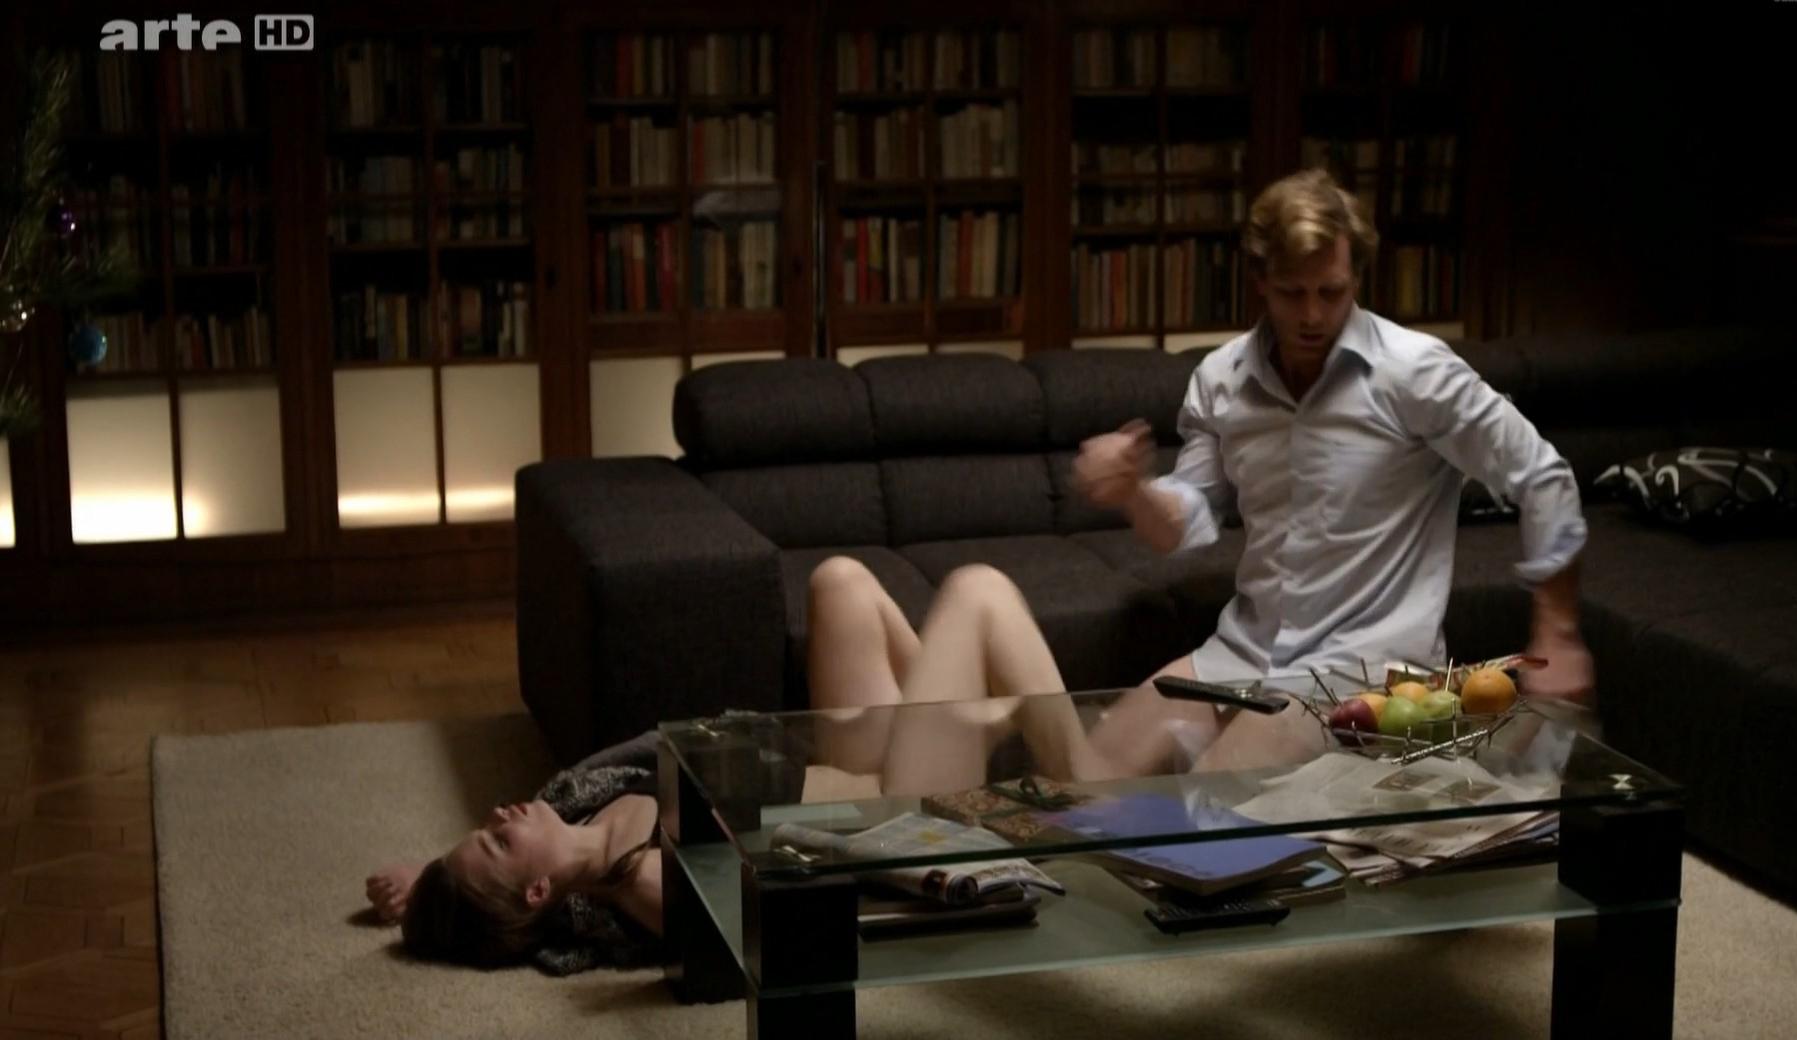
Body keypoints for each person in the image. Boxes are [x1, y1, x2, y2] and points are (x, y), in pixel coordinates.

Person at [1065, 167, 1595, 774]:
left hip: (1361, 670)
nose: (1313, 314)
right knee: (1085, 782)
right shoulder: (1220, 380)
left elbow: (1542, 475)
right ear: (1261, 282)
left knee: (1208, 802)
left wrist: (1559, 632)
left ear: (1356, 278)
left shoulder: (1415, 372)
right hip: (1242, 653)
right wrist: (1133, 492)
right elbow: (1186, 522)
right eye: (1293, 293)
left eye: (1332, 292)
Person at [364, 558, 1079, 973]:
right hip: (890, 807)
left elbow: (485, 892)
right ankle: (1091, 777)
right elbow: (771, 931)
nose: (499, 814)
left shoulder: (570, 802)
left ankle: (977, 724)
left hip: (833, 760)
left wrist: (427, 881)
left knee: (840, 581)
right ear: (538, 891)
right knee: (976, 592)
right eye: (498, 839)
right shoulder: (636, 886)